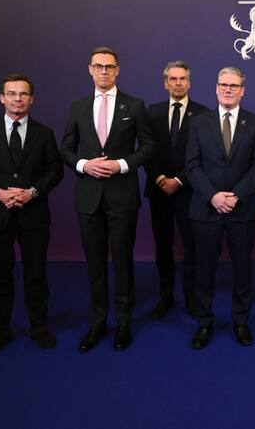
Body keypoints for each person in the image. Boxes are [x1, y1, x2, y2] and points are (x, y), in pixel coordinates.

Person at [60, 46, 153, 353]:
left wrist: (122, 164)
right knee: (95, 265)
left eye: (109, 66)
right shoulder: (78, 106)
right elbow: (66, 149)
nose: (103, 71)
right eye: (98, 66)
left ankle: (123, 323)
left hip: (122, 196)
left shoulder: (135, 105)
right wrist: (84, 165)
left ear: (117, 70)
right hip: (88, 198)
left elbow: (148, 147)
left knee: (123, 263)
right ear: (90, 69)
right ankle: (98, 323)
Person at [0, 73, 64, 358]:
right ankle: (1, 330)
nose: (17, 99)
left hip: (33, 215)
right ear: (2, 98)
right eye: (11, 93)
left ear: (31, 99)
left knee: (36, 273)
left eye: (23, 94)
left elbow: (55, 171)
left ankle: (39, 326)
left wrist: (31, 192)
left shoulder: (44, 134)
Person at [184, 67, 255, 349]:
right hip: (206, 209)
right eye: (223, 85)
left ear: (242, 90)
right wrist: (213, 196)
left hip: (241, 210)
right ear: (216, 88)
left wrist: (236, 196)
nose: (228, 89)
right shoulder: (199, 122)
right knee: (204, 270)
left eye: (233, 85)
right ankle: (204, 323)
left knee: (242, 269)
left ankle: (241, 322)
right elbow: (192, 165)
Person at [143, 60, 209, 319]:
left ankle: (191, 297)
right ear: (165, 83)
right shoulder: (152, 112)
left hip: (189, 191)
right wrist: (160, 178)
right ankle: (165, 296)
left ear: (189, 83)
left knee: (192, 247)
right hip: (158, 191)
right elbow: (145, 151)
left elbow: (203, 154)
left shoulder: (203, 114)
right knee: (163, 246)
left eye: (182, 79)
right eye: (173, 79)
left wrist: (179, 180)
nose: (178, 83)